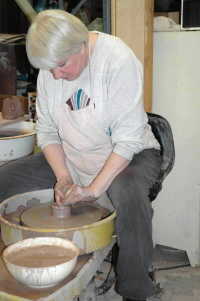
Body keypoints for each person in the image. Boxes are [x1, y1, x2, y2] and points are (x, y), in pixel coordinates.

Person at [0, 10, 162, 301]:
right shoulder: (53, 70)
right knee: (5, 179)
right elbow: (47, 133)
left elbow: (127, 141)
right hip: (73, 156)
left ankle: (135, 289)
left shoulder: (117, 60)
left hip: (130, 154)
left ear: (81, 43)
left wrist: (92, 190)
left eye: (61, 65)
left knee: (129, 195)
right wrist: (63, 177)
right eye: (49, 69)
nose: (56, 75)